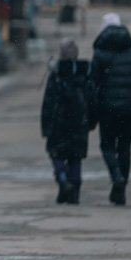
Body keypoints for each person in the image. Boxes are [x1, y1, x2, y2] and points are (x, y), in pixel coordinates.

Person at [90, 13, 131, 206]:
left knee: (107, 145)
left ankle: (116, 178)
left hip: (107, 109)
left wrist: (90, 113)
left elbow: (92, 86)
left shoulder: (100, 55)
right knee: (125, 148)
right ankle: (122, 189)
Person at [41, 39, 93, 205]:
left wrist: (45, 125)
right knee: (75, 157)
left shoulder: (56, 74)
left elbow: (48, 101)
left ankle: (63, 180)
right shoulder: (85, 72)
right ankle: (74, 191)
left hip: (59, 122)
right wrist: (91, 120)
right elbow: (91, 98)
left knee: (56, 153)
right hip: (79, 122)